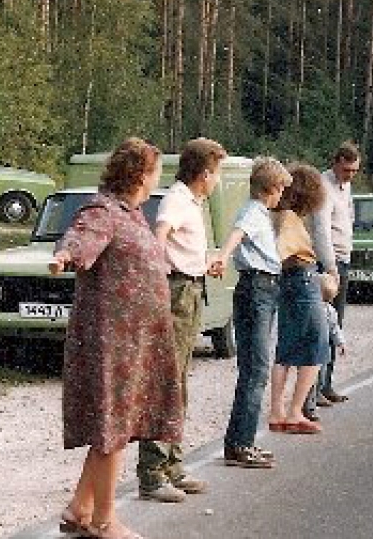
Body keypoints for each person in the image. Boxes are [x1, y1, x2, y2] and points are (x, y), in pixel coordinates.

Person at [51, 138, 182, 539]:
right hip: (113, 344)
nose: (158, 179)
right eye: (156, 171)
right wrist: (65, 255)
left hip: (136, 342)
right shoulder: (103, 209)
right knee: (113, 428)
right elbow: (80, 236)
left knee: (114, 428)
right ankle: (105, 521)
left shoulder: (133, 214)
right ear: (141, 174)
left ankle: (80, 509)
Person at [136, 137, 227, 503]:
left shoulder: (193, 201)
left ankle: (172, 464)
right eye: (217, 172)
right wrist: (160, 280)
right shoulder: (176, 198)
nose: (218, 180)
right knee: (165, 381)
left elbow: (183, 249)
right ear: (204, 173)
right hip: (175, 293)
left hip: (191, 289)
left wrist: (207, 263)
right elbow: (161, 237)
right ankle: (152, 473)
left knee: (180, 382)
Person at [212, 158, 292, 469]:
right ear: (269, 188)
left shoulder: (261, 213)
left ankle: (240, 441)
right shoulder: (254, 212)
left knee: (254, 368)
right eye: (280, 189)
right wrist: (222, 256)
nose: (281, 195)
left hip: (265, 287)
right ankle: (241, 443)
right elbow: (238, 234)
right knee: (256, 369)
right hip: (257, 287)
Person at [268, 163, 330, 434]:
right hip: (303, 280)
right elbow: (281, 250)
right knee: (317, 345)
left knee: (285, 348)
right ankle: (295, 410)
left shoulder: (277, 215)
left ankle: (276, 410)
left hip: (288, 283)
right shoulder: (291, 220)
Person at [306, 142, 360, 409]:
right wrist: (330, 267)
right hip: (329, 261)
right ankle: (314, 388)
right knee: (323, 325)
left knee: (336, 322)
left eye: (354, 170)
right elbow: (321, 231)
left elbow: (346, 219)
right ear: (336, 162)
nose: (350, 175)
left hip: (344, 256)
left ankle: (326, 383)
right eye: (347, 169)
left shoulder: (345, 187)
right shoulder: (324, 188)